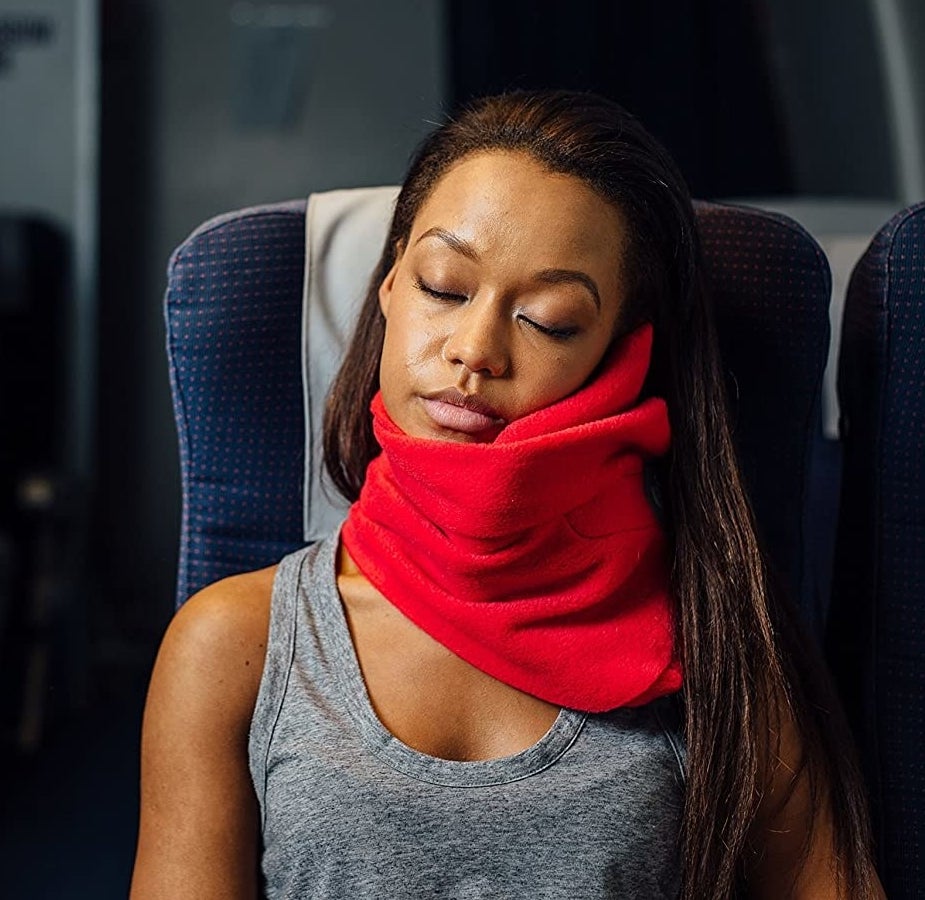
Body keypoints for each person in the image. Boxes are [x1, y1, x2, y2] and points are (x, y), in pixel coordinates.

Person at [130, 90, 884, 899]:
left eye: (549, 321)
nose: (475, 349)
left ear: (620, 356)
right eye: (444, 288)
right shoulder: (230, 644)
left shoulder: (717, 651)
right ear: (389, 288)